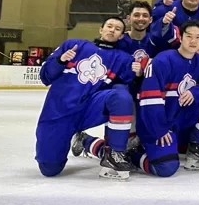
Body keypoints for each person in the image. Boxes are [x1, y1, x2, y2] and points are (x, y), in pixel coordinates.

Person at [37, 16, 138, 180]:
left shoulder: (124, 59)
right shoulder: (73, 46)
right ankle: (86, 141)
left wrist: (136, 73)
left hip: (89, 109)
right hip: (58, 112)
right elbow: (45, 77)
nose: (112, 30)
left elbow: (129, 90)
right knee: (49, 168)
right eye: (109, 26)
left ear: (121, 36)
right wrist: (60, 61)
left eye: (117, 29)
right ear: (101, 29)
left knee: (121, 97)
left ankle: (114, 153)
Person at [128, 20, 199, 176]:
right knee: (165, 168)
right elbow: (149, 99)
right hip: (159, 124)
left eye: (198, 37)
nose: (193, 41)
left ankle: (195, 149)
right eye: (189, 36)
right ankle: (132, 154)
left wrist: (195, 92)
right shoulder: (162, 60)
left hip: (182, 121)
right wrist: (159, 130)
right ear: (180, 36)